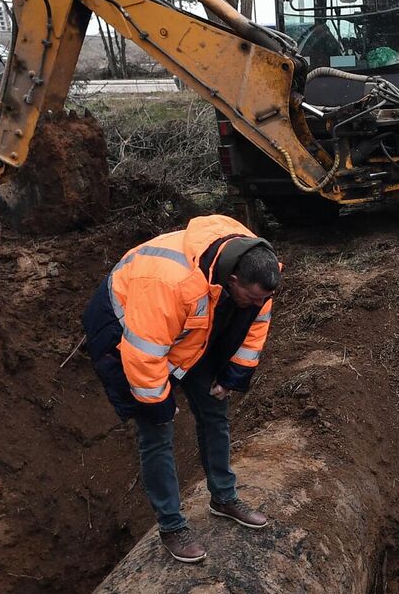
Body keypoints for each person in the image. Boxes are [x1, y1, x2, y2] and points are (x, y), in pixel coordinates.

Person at [82, 215, 279, 563]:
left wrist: (232, 376)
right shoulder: (169, 282)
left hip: (189, 329)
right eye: (248, 297)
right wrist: (158, 404)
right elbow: (143, 354)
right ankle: (172, 526)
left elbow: (255, 325)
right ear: (232, 281)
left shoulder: (257, 272)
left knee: (214, 411)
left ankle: (223, 497)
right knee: (157, 432)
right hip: (129, 333)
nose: (254, 303)